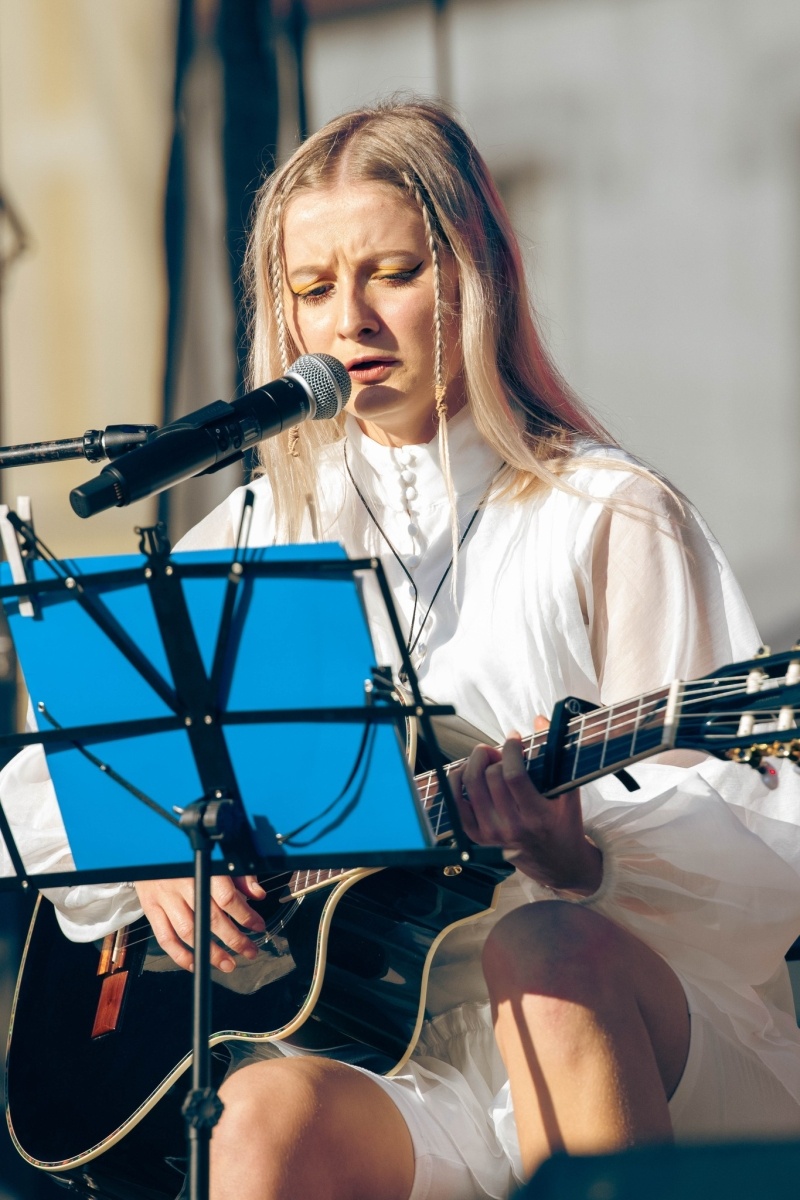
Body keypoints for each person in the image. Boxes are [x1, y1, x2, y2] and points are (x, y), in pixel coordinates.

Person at [3, 99, 800, 1200]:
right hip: (381, 1043)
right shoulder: (258, 530)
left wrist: (580, 857)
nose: (350, 323)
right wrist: (154, 866)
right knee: (258, 1119)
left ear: (475, 277)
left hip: (616, 1025)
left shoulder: (606, 513)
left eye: (391, 274)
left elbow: (764, 849)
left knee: (544, 952)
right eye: (314, 289)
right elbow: (54, 777)